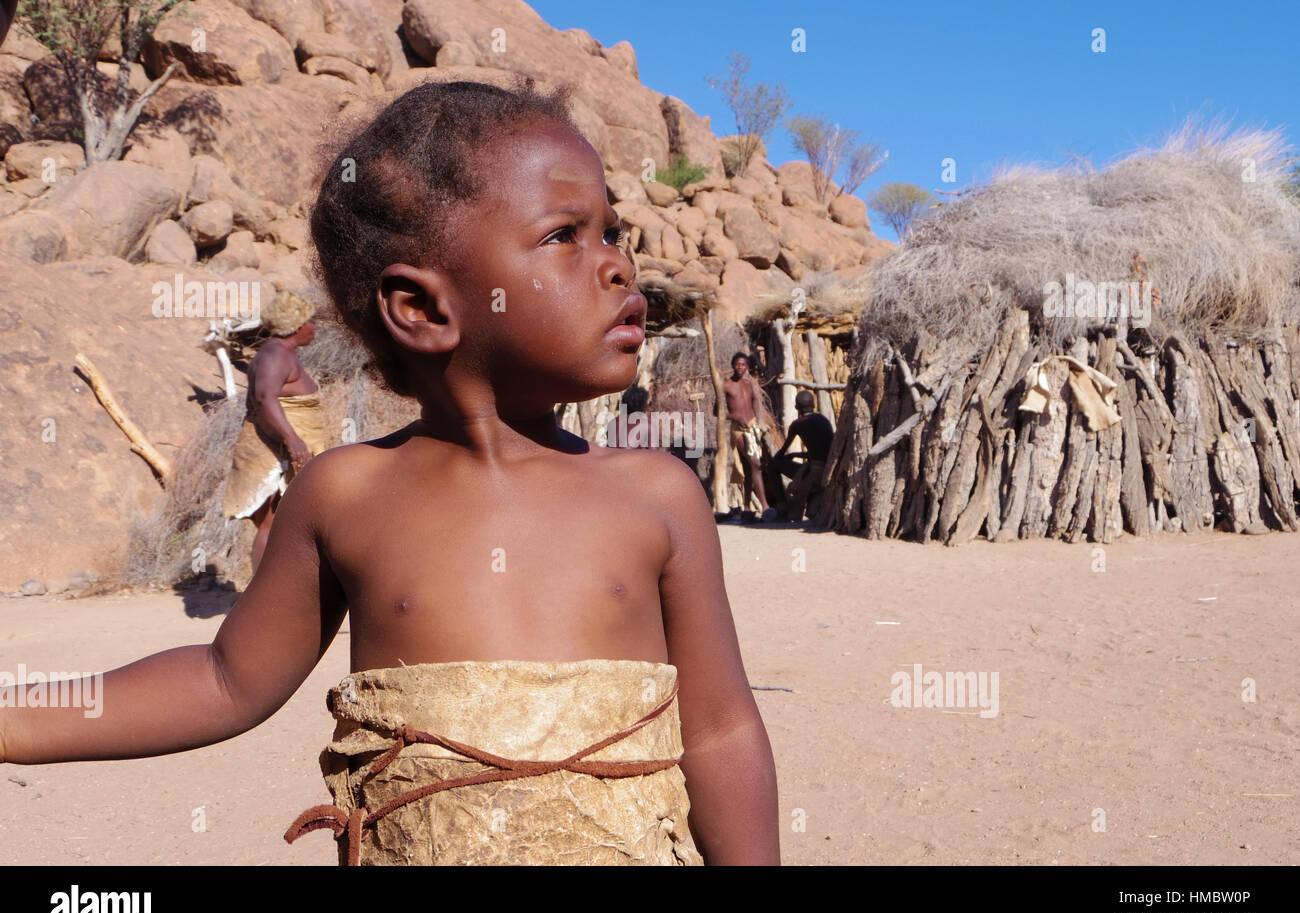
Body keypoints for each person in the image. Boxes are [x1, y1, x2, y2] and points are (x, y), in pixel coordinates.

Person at [0, 79, 780, 866]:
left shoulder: (656, 496)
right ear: (422, 308)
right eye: (563, 236)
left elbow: (719, 728)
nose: (617, 263)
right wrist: (14, 720)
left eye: (612, 231)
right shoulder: (345, 495)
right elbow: (223, 679)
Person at [220, 290, 329, 573]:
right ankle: (263, 599)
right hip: (269, 451)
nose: (314, 328)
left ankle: (280, 591)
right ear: (295, 325)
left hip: (276, 447)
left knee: (282, 522)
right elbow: (266, 398)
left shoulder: (281, 353)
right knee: (270, 524)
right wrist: (293, 441)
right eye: (310, 322)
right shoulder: (275, 355)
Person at [723, 352, 778, 520]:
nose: (740, 367)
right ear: (733, 365)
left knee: (748, 468)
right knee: (755, 463)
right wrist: (737, 417)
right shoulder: (726, 385)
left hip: (752, 428)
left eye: (743, 365)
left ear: (747, 367)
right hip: (738, 430)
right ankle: (766, 506)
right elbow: (718, 411)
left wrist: (756, 418)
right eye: (737, 364)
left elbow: (754, 400)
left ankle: (746, 508)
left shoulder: (749, 384)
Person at [765, 390, 834, 521]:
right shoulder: (824, 420)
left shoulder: (798, 424)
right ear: (814, 405)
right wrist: (796, 454)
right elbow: (821, 452)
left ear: (796, 407)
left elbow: (781, 452)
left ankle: (782, 506)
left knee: (773, 465)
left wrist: (785, 456)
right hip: (827, 471)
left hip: (814, 472)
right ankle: (812, 499)